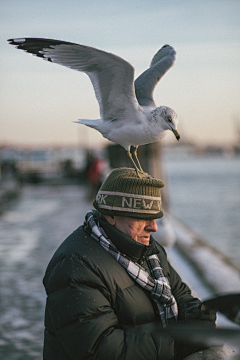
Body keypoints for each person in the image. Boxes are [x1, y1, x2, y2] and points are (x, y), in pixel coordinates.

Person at [43, 167, 216, 360]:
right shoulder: (75, 265)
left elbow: (181, 294)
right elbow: (101, 349)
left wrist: (199, 318)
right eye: (143, 217)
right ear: (111, 215)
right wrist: (178, 345)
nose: (154, 227)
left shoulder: (149, 248)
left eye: (156, 216)